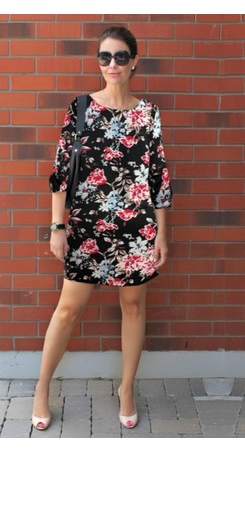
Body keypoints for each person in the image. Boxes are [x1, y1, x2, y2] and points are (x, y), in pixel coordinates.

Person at [32, 26, 172, 431]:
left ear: (134, 61)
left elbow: (158, 177)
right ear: (98, 61)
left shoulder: (148, 113)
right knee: (68, 308)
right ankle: (42, 388)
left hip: (137, 227)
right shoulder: (80, 108)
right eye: (105, 57)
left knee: (133, 306)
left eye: (121, 56)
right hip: (87, 225)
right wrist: (57, 226)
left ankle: (126, 389)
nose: (113, 64)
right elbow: (61, 172)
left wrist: (162, 233)